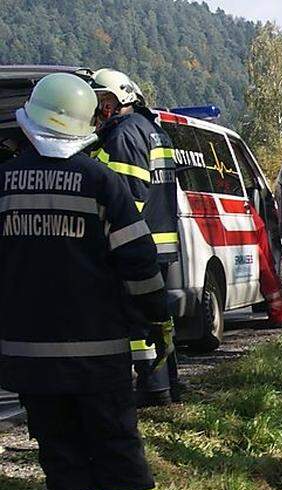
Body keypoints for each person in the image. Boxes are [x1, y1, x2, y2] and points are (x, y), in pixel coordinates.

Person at [0, 73, 169, 490]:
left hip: (28, 355)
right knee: (115, 442)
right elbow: (138, 264)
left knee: (59, 447)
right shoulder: (101, 183)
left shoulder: (4, 183)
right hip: (98, 351)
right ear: (85, 125)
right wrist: (155, 318)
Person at [90, 68, 182, 406]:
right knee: (158, 318)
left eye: (103, 101)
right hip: (160, 241)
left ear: (119, 100)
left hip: (136, 244)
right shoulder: (154, 131)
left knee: (139, 322)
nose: (98, 109)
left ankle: (153, 388)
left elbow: (126, 199)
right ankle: (167, 385)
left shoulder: (124, 135)